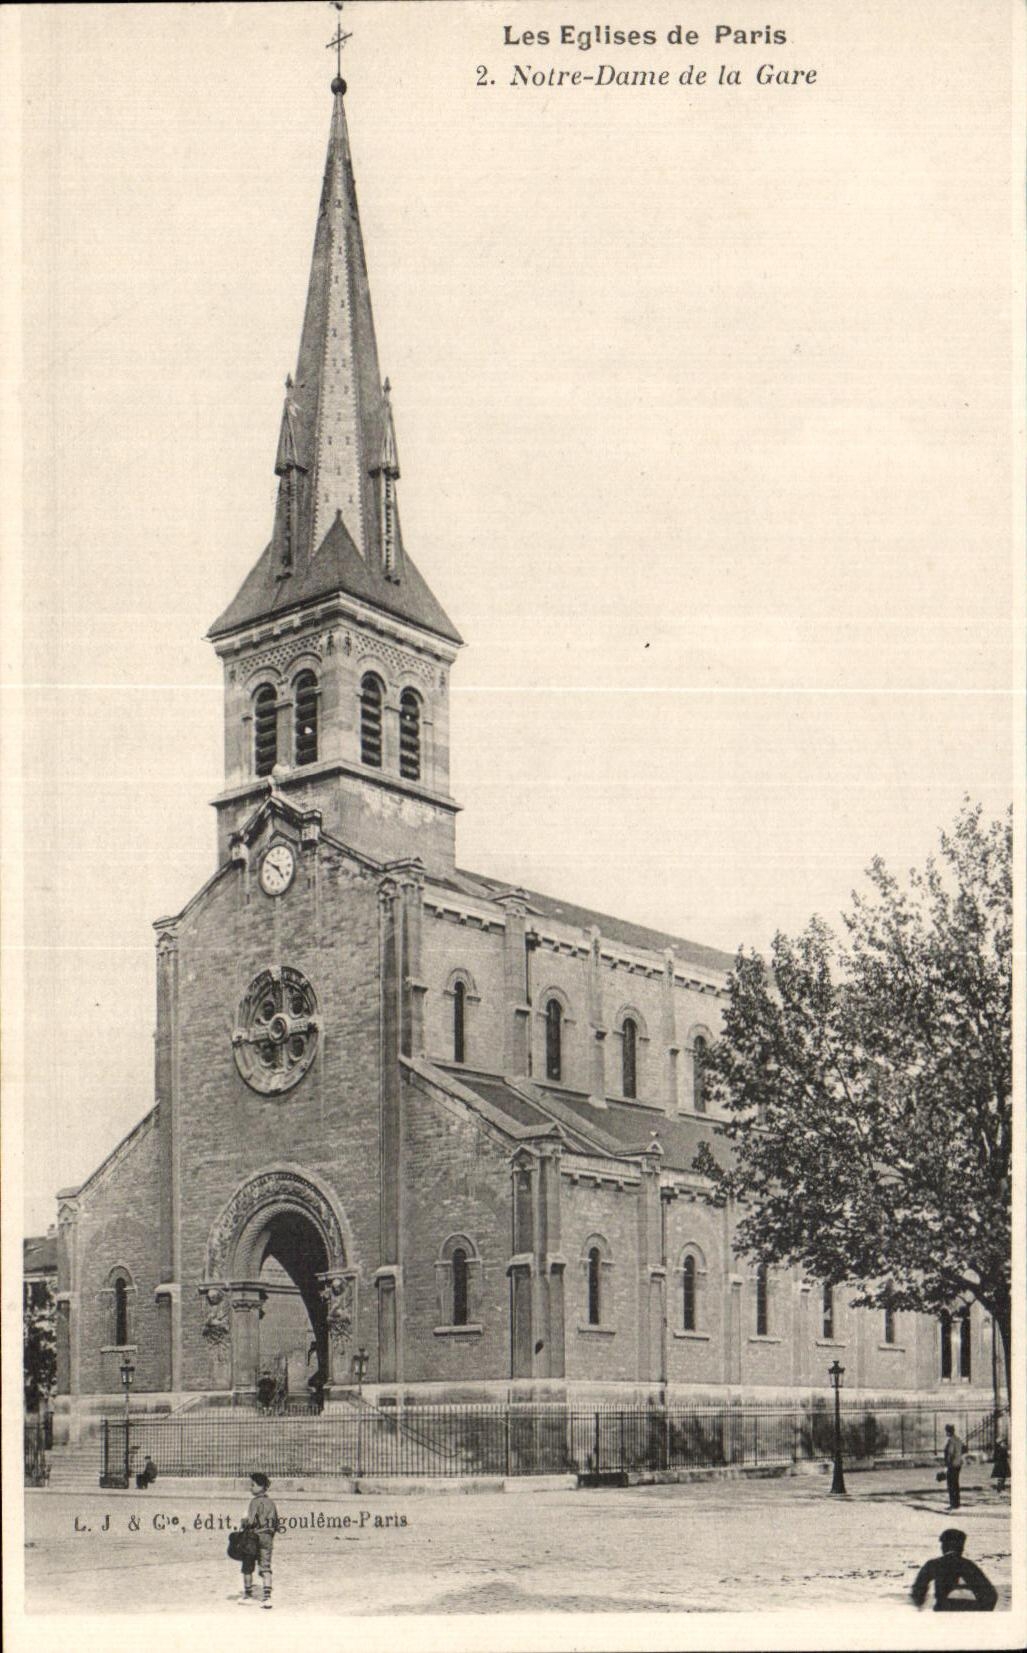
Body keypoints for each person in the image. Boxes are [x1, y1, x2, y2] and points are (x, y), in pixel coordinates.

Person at [911, 1528, 997, 1612]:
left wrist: (919, 1603)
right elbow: (991, 1595)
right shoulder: (969, 1565)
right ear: (961, 1547)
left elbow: (918, 1588)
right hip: (971, 1614)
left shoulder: (934, 1564)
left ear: (943, 1546)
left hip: (943, 1610)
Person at [239, 1471, 279, 1609]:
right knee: (266, 1566)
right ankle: (267, 1597)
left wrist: (243, 1522)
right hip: (267, 1537)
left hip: (254, 1537)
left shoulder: (254, 1502)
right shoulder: (271, 1503)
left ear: (261, 1486)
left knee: (248, 1566)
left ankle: (248, 1595)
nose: (251, 1487)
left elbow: (250, 1521)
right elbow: (275, 1523)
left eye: (253, 1485)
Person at [942, 1423, 964, 1509]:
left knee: (951, 1485)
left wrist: (947, 1466)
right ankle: (957, 1503)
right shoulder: (958, 1439)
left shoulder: (951, 1440)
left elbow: (950, 1453)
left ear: (948, 1431)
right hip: (958, 1464)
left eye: (946, 1431)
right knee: (956, 1484)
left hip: (952, 1465)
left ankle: (953, 1504)